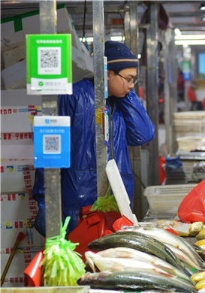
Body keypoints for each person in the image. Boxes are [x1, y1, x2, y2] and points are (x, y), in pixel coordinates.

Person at [33, 41, 155, 236]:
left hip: (117, 199)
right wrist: (45, 201)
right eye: (129, 79)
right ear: (107, 73)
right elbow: (50, 149)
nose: (132, 85)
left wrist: (127, 94)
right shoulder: (73, 96)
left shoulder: (121, 102)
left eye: (134, 80)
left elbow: (143, 134)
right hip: (78, 201)